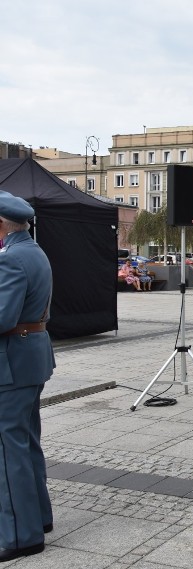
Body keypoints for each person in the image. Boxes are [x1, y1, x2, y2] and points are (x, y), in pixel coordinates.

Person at [0, 191, 54, 562]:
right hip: (31, 355)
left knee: (8, 448)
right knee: (26, 440)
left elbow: (2, 317)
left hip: (13, 360)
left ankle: (22, 535)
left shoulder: (11, 259)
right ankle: (39, 517)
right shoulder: (34, 251)